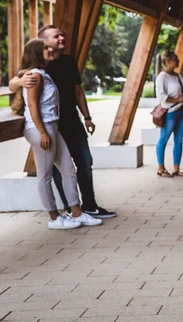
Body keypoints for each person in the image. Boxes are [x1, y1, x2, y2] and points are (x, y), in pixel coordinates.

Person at [9, 25, 117, 218]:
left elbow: (77, 90)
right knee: (56, 170)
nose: (61, 38)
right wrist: (19, 82)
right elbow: (16, 83)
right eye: (55, 36)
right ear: (44, 42)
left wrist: (87, 117)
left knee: (83, 162)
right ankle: (66, 210)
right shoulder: (38, 66)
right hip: (49, 125)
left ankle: (88, 206)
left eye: (61, 35)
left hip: (71, 122)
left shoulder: (67, 61)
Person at [18, 39, 103, 230]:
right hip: (42, 129)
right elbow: (32, 106)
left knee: (68, 170)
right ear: (37, 53)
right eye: (46, 48)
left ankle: (77, 213)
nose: (51, 49)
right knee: (45, 175)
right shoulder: (35, 76)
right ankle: (54, 218)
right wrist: (42, 132)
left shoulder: (43, 73)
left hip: (52, 128)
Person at [154, 51, 183, 178]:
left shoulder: (178, 76)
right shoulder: (162, 77)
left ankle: (176, 168)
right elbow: (161, 96)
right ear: (168, 62)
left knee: (178, 140)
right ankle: (161, 168)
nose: (178, 61)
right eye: (176, 60)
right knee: (163, 139)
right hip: (170, 113)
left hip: (181, 112)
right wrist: (176, 100)